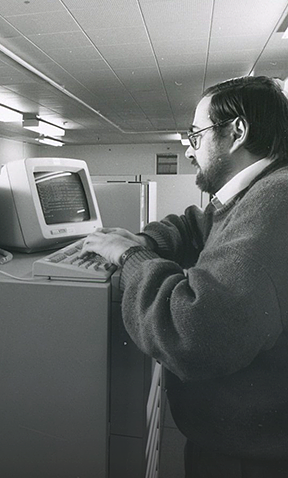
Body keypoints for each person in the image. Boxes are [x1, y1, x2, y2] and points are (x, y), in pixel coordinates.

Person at [81, 76, 288, 477]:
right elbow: (199, 224)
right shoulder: (259, 191)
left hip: (250, 458)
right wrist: (142, 239)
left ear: (236, 132)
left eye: (196, 134)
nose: (188, 148)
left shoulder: (274, 202)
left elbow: (192, 332)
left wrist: (132, 259)